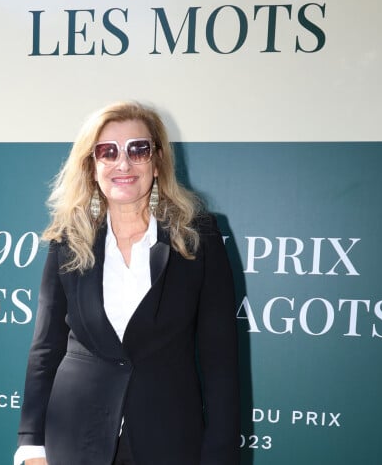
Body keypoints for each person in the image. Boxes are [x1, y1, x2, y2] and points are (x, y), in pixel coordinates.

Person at [15, 101, 239, 465]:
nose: (124, 163)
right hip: (73, 442)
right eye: (108, 151)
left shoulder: (199, 236)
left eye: (138, 149)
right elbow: (46, 348)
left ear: (158, 159)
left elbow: (222, 365)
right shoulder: (69, 240)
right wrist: (32, 447)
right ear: (91, 165)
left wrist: (219, 458)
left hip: (169, 443)